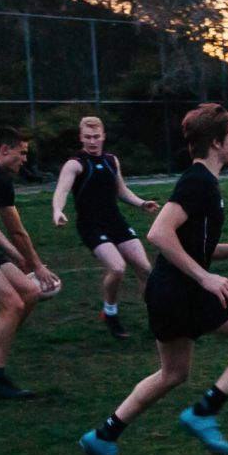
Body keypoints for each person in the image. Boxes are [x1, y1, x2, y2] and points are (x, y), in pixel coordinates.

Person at [79, 103, 228, 455]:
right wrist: (205, 278)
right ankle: (205, 413)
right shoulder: (198, 181)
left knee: (172, 374)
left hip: (166, 291)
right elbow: (159, 233)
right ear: (217, 141)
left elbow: (192, 247)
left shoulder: (204, 181)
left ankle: (104, 437)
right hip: (183, 292)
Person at [0, 127, 60, 399]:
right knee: (12, 304)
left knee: (30, 293)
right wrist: (37, 265)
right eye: (22, 153)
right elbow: (17, 231)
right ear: (4, 150)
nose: (25, 159)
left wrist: (20, 259)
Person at [52, 117, 159, 338]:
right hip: (91, 225)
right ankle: (110, 312)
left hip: (115, 221)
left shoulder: (112, 161)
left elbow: (121, 190)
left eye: (96, 137)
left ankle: (156, 318)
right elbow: (62, 190)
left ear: (103, 136)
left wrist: (141, 203)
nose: (92, 142)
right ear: (81, 138)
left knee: (146, 270)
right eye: (87, 138)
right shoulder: (75, 164)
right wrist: (57, 210)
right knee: (117, 268)